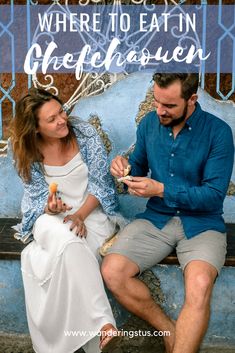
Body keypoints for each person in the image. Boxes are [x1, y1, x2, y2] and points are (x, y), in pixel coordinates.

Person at [101, 73, 234, 353]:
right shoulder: (149, 123)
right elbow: (137, 166)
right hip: (156, 219)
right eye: (157, 102)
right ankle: (169, 329)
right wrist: (124, 169)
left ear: (192, 100)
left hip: (203, 223)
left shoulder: (219, 132)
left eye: (169, 106)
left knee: (199, 284)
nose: (160, 110)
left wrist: (161, 189)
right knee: (113, 272)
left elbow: (212, 195)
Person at [10, 88, 123, 353]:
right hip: (47, 220)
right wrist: (51, 209)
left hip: (91, 214)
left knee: (74, 250)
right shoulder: (26, 151)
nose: (61, 120)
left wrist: (80, 214)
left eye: (61, 111)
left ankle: (95, 340)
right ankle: (104, 325)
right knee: (70, 241)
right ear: (35, 128)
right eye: (51, 119)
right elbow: (37, 197)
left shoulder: (85, 134)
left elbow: (102, 185)